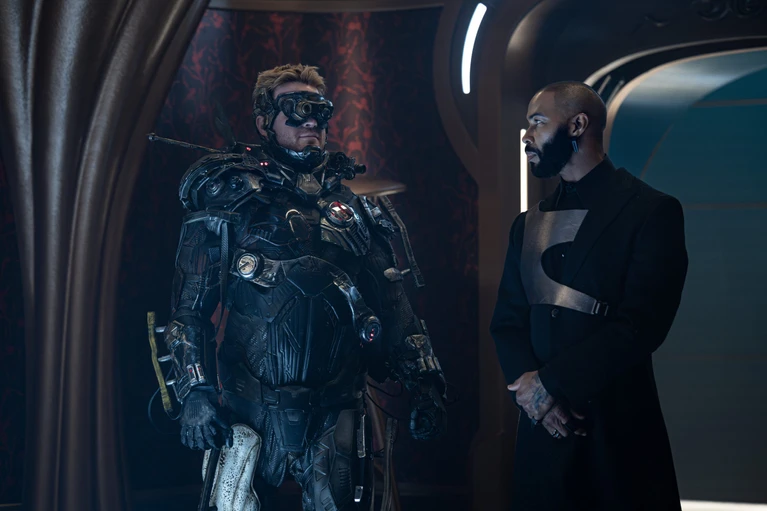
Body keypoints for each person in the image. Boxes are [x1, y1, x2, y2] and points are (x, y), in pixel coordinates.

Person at [160, 64, 446, 511]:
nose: (311, 120)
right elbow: (189, 310)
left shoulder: (353, 211)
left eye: (320, 110)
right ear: (264, 122)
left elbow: (394, 305)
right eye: (296, 109)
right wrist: (194, 391)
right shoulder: (231, 202)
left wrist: (425, 381)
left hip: (337, 407)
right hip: (249, 408)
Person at [490, 81, 688, 510]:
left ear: (577, 125)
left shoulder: (651, 211)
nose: (527, 136)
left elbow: (642, 324)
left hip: (617, 437)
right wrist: (536, 400)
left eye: (538, 122)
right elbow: (506, 321)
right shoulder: (527, 224)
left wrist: (550, 384)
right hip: (543, 437)